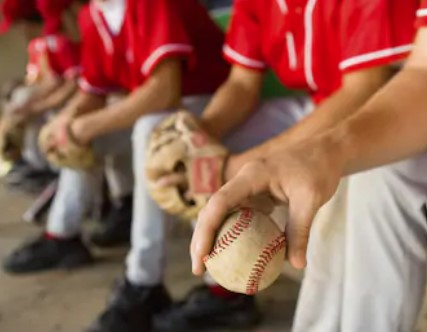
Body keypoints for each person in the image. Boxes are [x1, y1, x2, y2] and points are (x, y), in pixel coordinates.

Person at [192, 2, 427, 331]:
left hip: (357, 102)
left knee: (380, 173)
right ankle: (224, 294)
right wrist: (201, 139)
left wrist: (240, 164)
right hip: (320, 104)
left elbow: (366, 87)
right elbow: (423, 75)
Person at [3, 0, 232, 331]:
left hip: (209, 103)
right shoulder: (94, 13)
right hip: (157, 109)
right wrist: (66, 124)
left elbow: (165, 91)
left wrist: (85, 125)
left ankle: (143, 280)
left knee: (147, 130)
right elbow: (94, 90)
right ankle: (63, 235)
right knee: (79, 137)